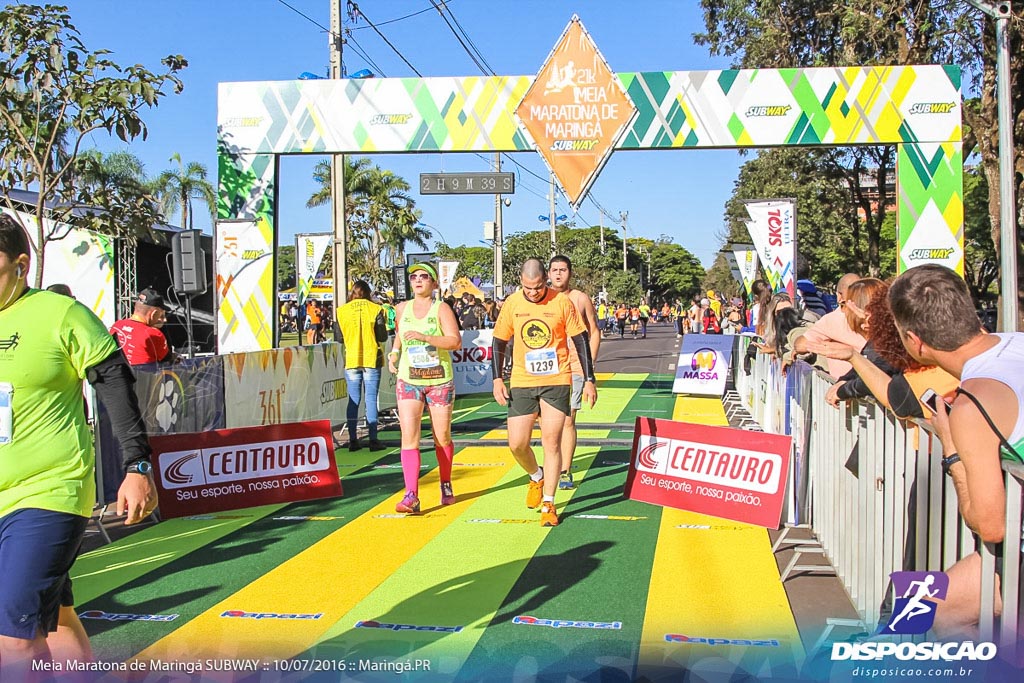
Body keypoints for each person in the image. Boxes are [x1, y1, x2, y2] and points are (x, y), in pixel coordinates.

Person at [0, 214, 156, 674]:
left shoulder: (59, 313)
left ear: (22, 265)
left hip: (48, 491)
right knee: (57, 618)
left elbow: (113, 382)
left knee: (13, 639)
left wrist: (137, 467)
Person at [889, 264, 1023, 638]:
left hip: (1015, 552)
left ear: (914, 341)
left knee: (927, 615)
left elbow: (990, 526)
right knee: (925, 607)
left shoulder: (972, 405)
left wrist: (952, 446)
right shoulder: (1015, 342)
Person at [491, 258, 597, 527]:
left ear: (545, 282)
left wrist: (589, 379)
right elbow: (499, 341)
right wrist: (496, 379)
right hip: (522, 381)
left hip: (556, 380)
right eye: (527, 288)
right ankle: (535, 475)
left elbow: (581, 340)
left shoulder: (561, 302)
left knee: (551, 441)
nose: (533, 293)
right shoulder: (513, 303)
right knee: (517, 443)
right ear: (521, 281)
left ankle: (549, 503)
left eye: (537, 287)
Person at [387, 263, 462, 514]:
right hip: (409, 380)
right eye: (414, 277)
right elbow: (400, 332)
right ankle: (411, 495)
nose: (418, 280)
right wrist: (395, 352)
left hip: (439, 380)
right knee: (409, 437)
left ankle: (445, 482)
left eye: (424, 277)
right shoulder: (401, 308)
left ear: (433, 283)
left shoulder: (441, 308)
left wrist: (427, 338)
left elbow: (454, 341)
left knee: (442, 437)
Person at [547, 255, 601, 491]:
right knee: (549, 423)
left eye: (563, 270)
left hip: (575, 367)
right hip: (547, 369)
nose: (558, 274)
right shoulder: (541, 300)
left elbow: (595, 331)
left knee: (568, 419)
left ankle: (565, 470)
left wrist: (590, 366)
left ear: (570, 273)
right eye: (554, 270)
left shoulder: (580, 298)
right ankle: (550, 464)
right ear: (548, 273)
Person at [335, 280, 388, 452]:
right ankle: (373, 440)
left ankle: (353, 441)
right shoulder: (376, 309)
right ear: (368, 292)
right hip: (372, 357)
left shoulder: (341, 311)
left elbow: (339, 338)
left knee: (353, 400)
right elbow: (382, 336)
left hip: (351, 359)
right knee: (371, 398)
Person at [793, 273, 864, 378]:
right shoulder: (874, 316)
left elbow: (801, 345)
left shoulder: (832, 320)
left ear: (839, 296)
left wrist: (825, 344)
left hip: (845, 386)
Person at [109, 288, 175, 366]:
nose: (164, 319)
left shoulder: (117, 325)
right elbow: (167, 359)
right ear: (154, 313)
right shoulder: (153, 334)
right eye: (161, 314)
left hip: (120, 374)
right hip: (145, 376)